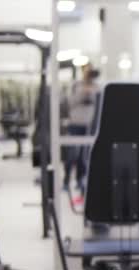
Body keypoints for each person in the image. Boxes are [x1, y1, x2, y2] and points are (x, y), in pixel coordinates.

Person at [63, 63, 99, 193]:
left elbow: (98, 103)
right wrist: (82, 93)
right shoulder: (76, 85)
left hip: (88, 124)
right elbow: (69, 103)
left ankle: (80, 181)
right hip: (75, 123)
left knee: (84, 156)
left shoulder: (96, 86)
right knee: (72, 154)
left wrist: (91, 92)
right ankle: (66, 181)